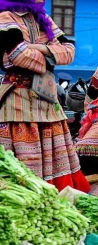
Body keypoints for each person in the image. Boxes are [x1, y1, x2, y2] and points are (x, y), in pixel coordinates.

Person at [0, 0, 90, 193]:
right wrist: (50, 58)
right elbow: (18, 55)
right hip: (18, 102)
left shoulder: (44, 19)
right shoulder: (5, 17)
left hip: (48, 103)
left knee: (56, 164)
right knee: (21, 170)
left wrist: (38, 48)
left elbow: (70, 51)